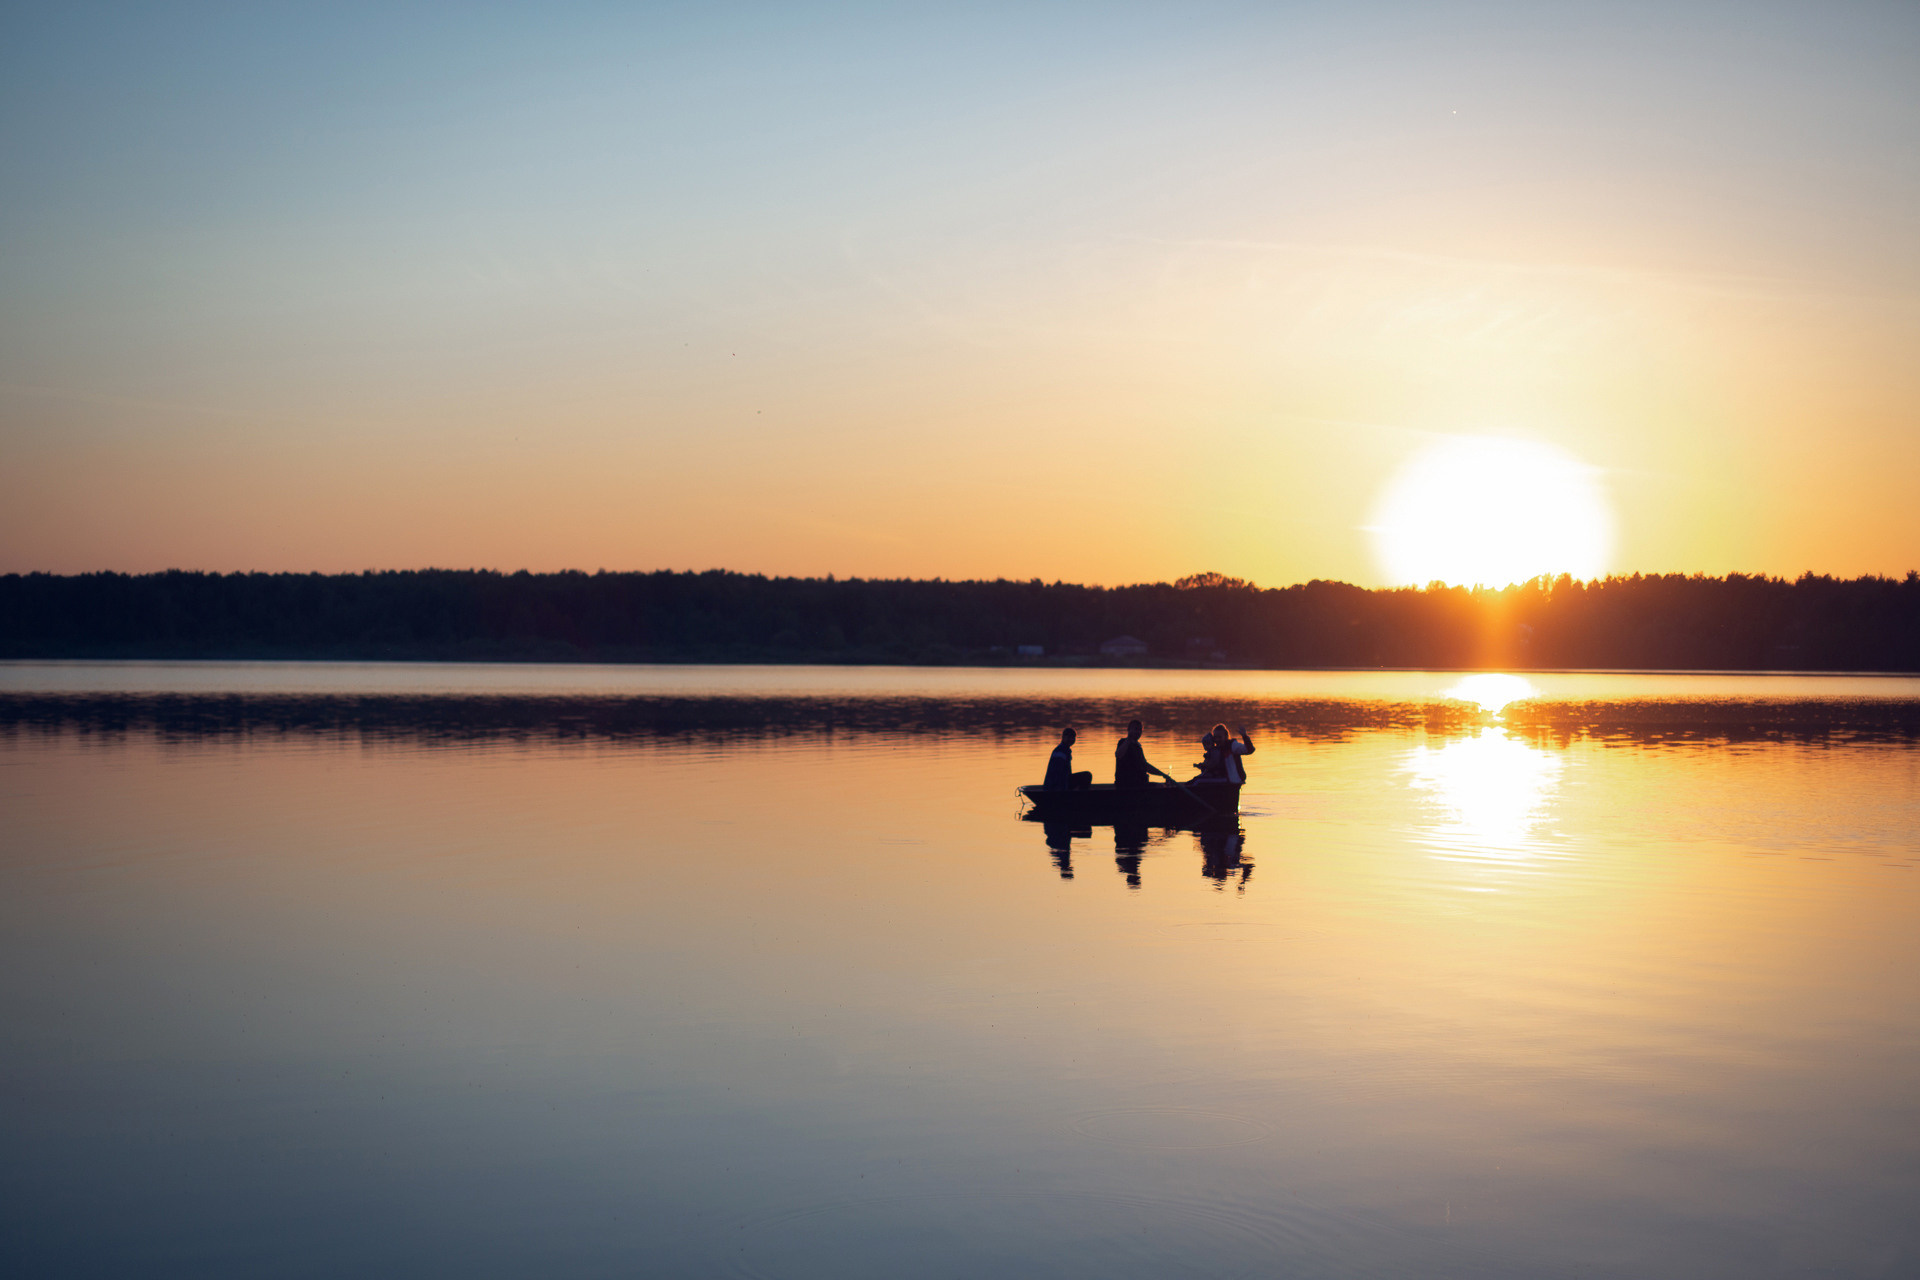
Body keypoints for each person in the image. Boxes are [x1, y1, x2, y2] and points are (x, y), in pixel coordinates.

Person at [1113, 719, 1174, 789]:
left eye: (1140, 730)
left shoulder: (1137, 746)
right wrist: (1129, 739)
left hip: (1139, 783)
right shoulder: (1123, 742)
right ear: (1128, 729)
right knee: (1160, 787)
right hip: (1127, 785)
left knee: (1163, 786)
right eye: (1135, 729)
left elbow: (1145, 765)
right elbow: (1118, 755)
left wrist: (1163, 774)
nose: (1138, 732)